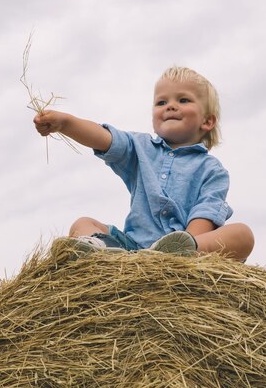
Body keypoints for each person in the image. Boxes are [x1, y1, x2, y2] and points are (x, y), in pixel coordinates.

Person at [33, 66, 254, 261]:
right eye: (161, 102)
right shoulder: (140, 148)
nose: (170, 106)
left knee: (243, 235)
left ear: (207, 121)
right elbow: (104, 138)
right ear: (153, 117)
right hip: (133, 249)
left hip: (190, 247)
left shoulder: (212, 170)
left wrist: (187, 247)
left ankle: (183, 251)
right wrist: (66, 123)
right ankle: (102, 255)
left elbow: (205, 215)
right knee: (82, 223)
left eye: (183, 100)